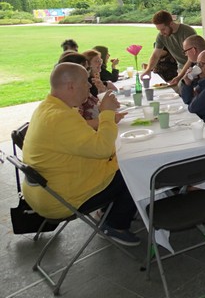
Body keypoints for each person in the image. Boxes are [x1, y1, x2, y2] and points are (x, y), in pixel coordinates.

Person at [21, 63, 140, 246]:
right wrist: (107, 112)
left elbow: (83, 141)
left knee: (122, 160)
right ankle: (116, 225)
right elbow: (103, 149)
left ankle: (107, 211)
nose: (89, 87)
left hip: (46, 190)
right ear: (71, 86)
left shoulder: (48, 107)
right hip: (61, 199)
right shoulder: (61, 117)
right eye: (85, 82)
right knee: (134, 170)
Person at [140, 10, 197, 79]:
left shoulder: (187, 32)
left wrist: (180, 77)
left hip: (195, 68)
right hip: (181, 68)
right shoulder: (161, 36)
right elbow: (155, 55)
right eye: (159, 30)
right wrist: (148, 70)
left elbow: (192, 58)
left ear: (171, 24)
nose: (161, 32)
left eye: (163, 29)